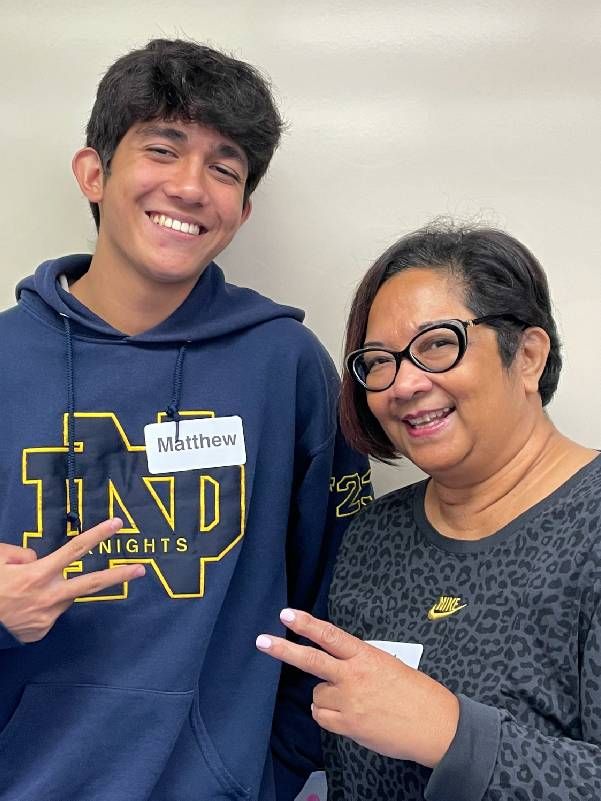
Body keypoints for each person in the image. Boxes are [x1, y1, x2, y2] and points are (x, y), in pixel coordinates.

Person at [0, 39, 371, 801]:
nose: (191, 186)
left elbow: (337, 585)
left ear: (243, 207)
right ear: (94, 173)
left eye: (224, 167)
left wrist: (271, 765)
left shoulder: (285, 366)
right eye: (162, 149)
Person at [257, 222, 601, 800]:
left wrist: (452, 734)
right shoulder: (372, 538)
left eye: (438, 344)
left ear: (528, 357)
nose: (404, 384)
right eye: (378, 361)